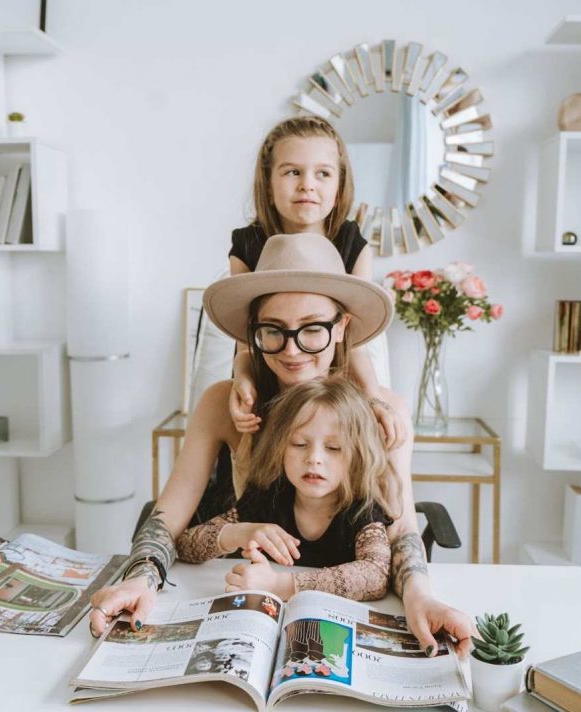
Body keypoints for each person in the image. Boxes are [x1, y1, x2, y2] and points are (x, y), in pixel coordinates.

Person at [88, 233, 474, 659]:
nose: (291, 351)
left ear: (342, 326)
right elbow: (168, 517)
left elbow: (400, 530)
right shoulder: (223, 403)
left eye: (312, 329)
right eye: (273, 331)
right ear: (253, 331)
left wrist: (420, 596)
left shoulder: (381, 413)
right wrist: (141, 577)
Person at [228, 115, 404, 450]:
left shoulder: (351, 244)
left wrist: (373, 399)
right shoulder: (248, 244)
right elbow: (246, 341)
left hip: (333, 386)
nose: (307, 184)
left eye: (322, 174)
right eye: (292, 171)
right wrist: (244, 382)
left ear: (338, 188)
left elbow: (354, 344)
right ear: (268, 184)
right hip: (269, 379)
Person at [176, 377, 398, 601]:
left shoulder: (362, 507)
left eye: (333, 448)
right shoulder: (268, 496)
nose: (314, 458)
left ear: (358, 456)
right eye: (300, 444)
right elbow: (185, 546)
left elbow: (376, 575)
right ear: (280, 448)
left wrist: (279, 585)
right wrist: (237, 533)